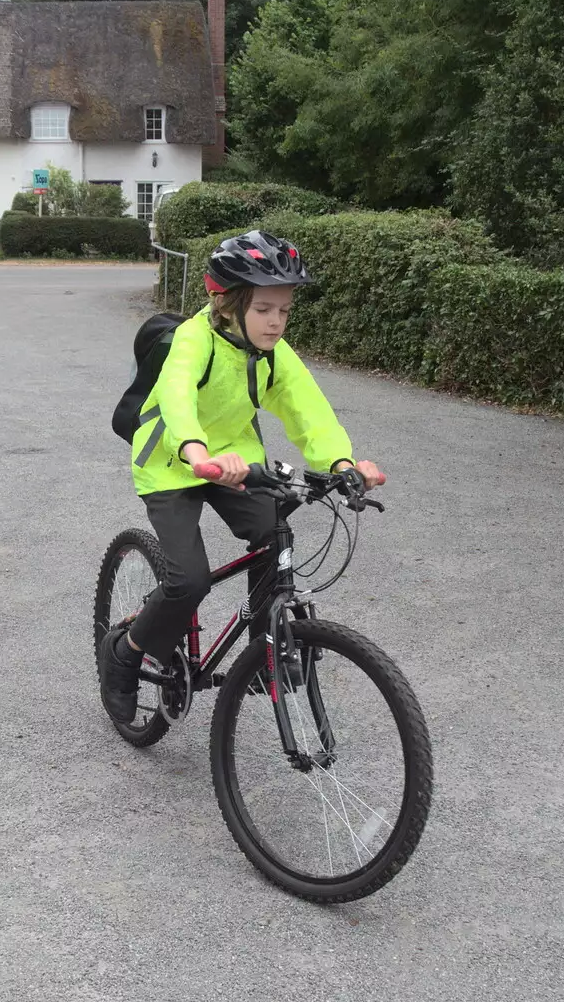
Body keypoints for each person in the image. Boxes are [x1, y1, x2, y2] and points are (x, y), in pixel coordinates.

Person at [98, 229, 386, 723]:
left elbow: (307, 410)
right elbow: (177, 396)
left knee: (275, 534)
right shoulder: (193, 340)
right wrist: (193, 449)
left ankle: (263, 655)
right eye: (264, 309)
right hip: (171, 462)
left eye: (285, 310)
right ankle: (125, 653)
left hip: (235, 460)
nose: (276, 322)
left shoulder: (273, 354)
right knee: (188, 581)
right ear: (227, 303)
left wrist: (341, 464)